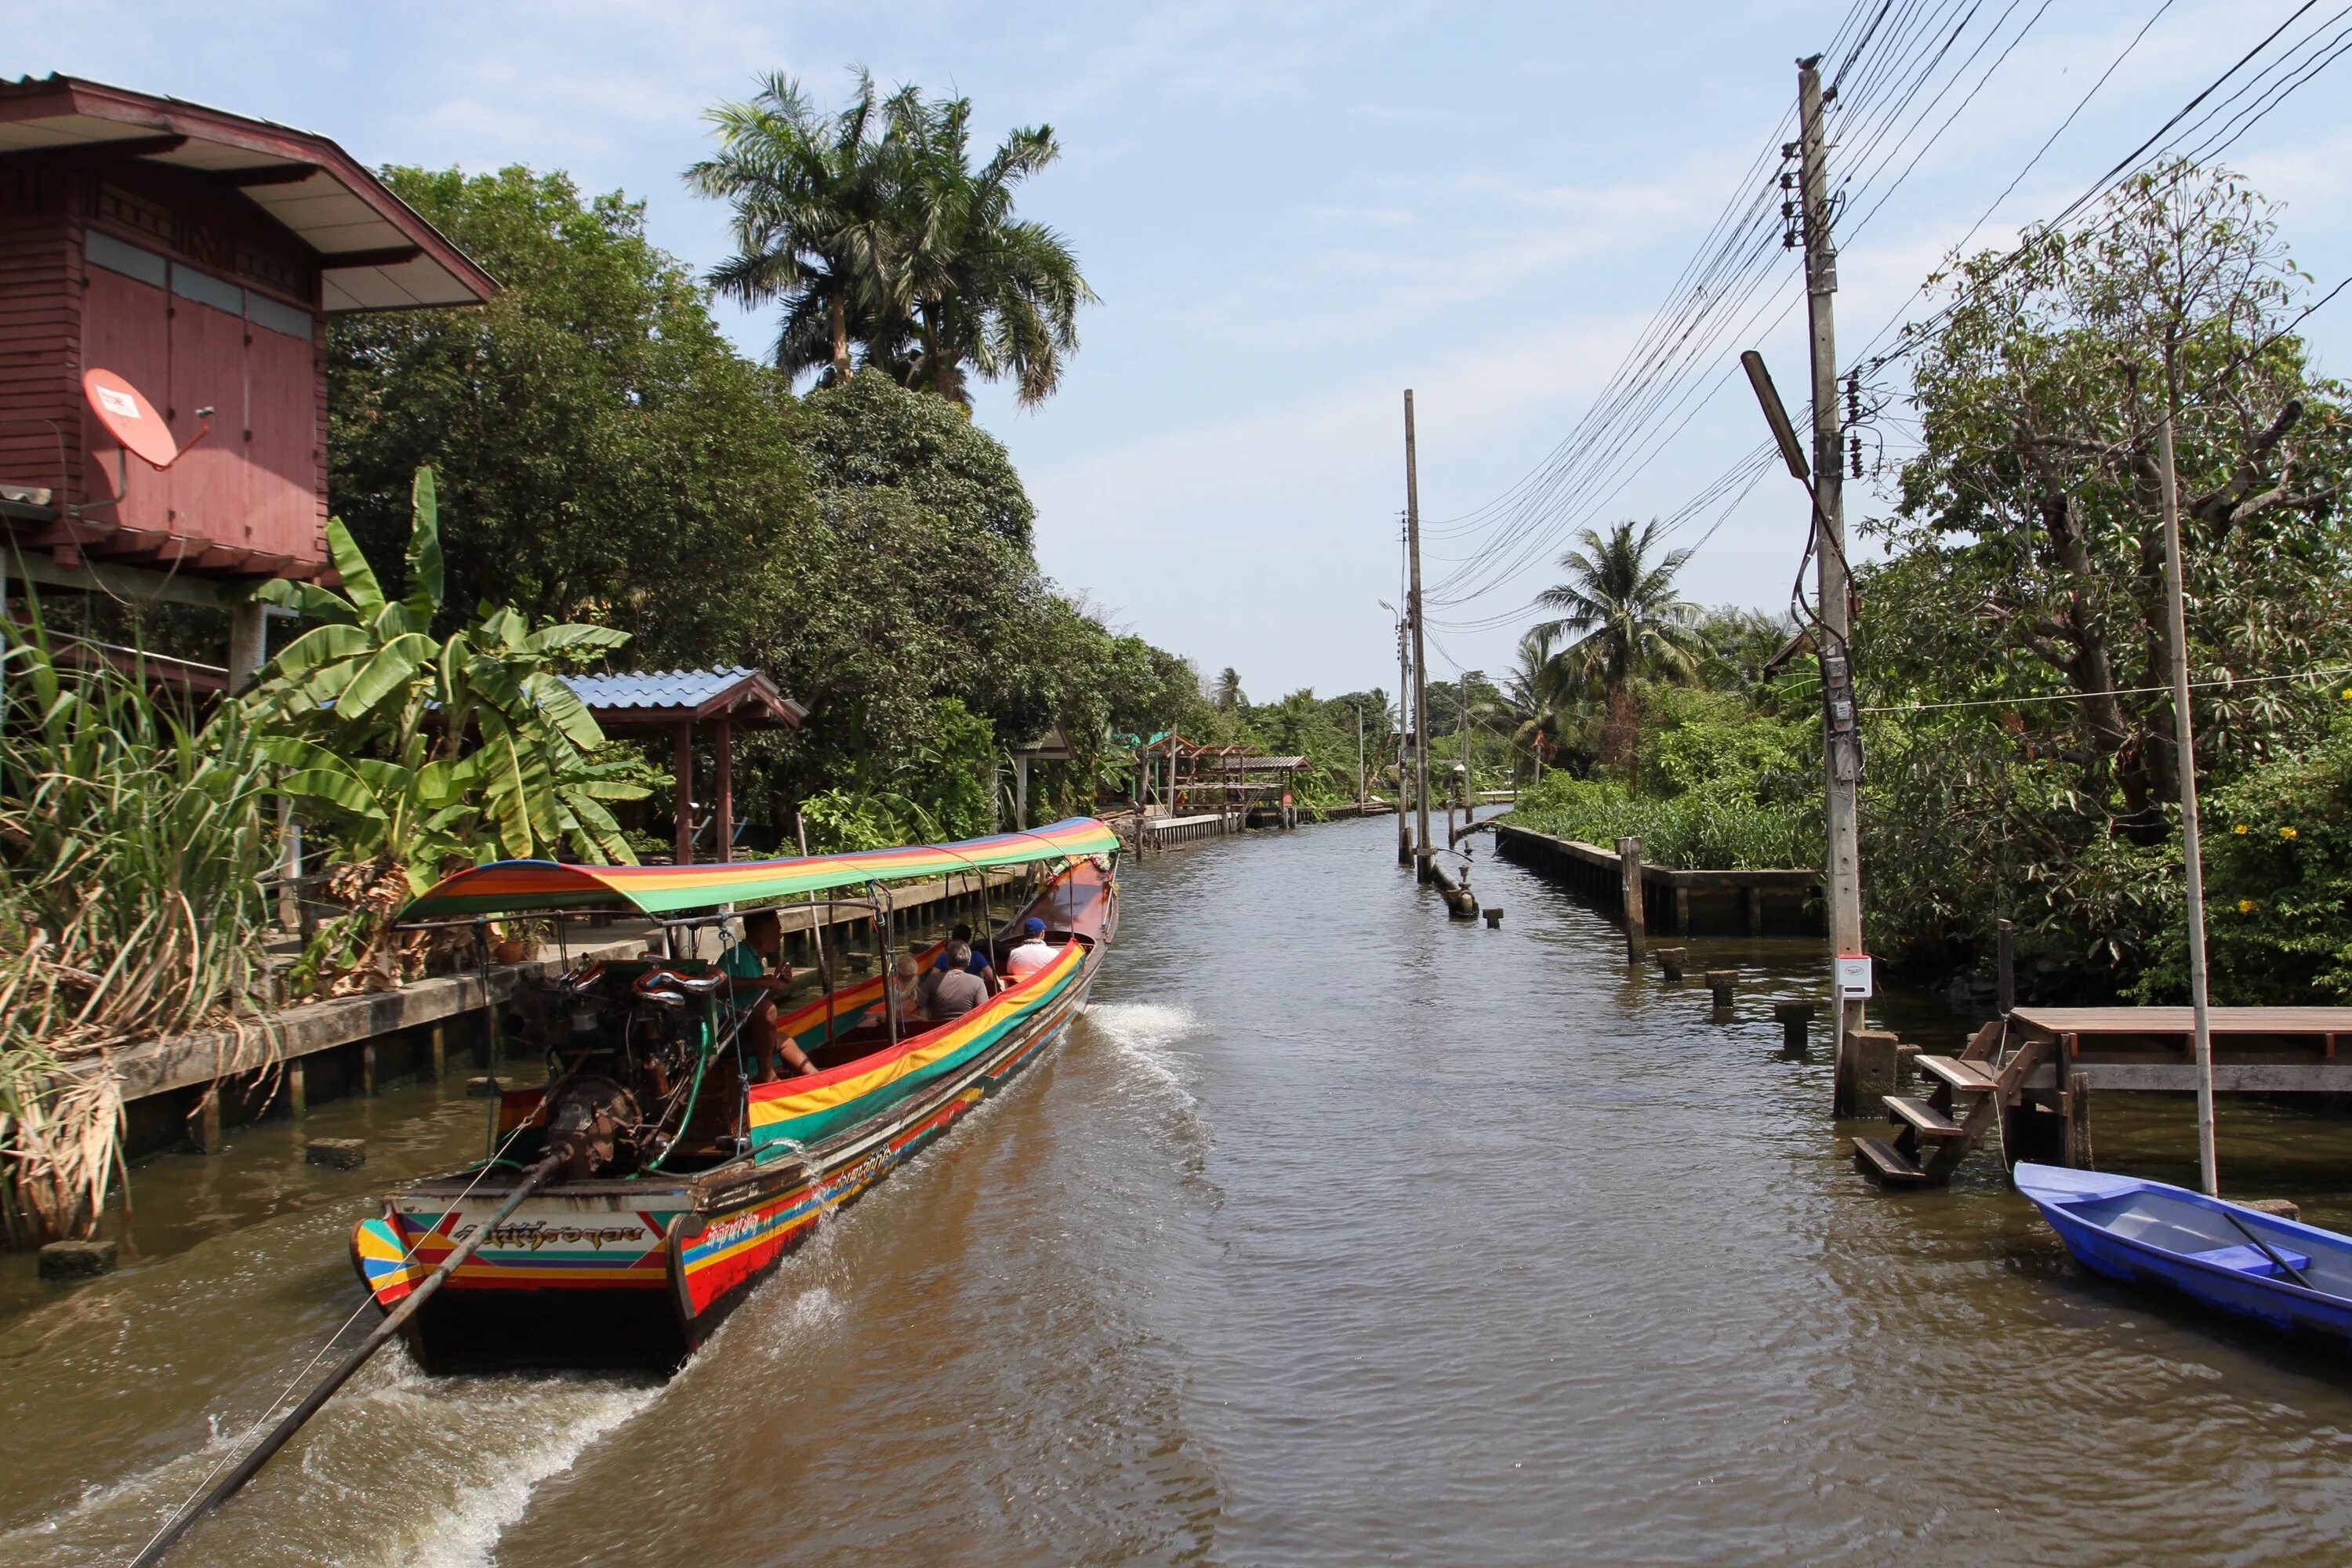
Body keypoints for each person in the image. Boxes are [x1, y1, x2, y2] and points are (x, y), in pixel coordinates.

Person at [724, 909, 818, 1083]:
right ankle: (766, 1073)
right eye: (778, 931)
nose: (781, 936)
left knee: (786, 1041)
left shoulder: (756, 961)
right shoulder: (736, 956)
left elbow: (758, 1000)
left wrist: (777, 983)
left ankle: (818, 1080)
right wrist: (760, 982)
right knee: (767, 1009)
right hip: (728, 1033)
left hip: (747, 1029)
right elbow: (720, 984)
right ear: (762, 934)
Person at [926, 941, 992, 1021]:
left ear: (948, 961)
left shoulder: (931, 980)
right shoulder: (978, 982)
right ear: (968, 962)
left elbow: (918, 1004)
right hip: (966, 1027)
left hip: (936, 1029)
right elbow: (984, 1012)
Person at [951, 923, 1000, 993]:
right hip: (974, 993)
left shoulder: (943, 956)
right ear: (968, 939)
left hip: (953, 992)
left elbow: (933, 976)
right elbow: (993, 978)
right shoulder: (976, 956)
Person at [1004, 916, 1056, 982]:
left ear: (1025, 934)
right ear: (1042, 933)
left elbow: (1010, 973)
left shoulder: (1014, 953)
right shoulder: (1053, 953)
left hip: (1022, 990)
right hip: (1047, 989)